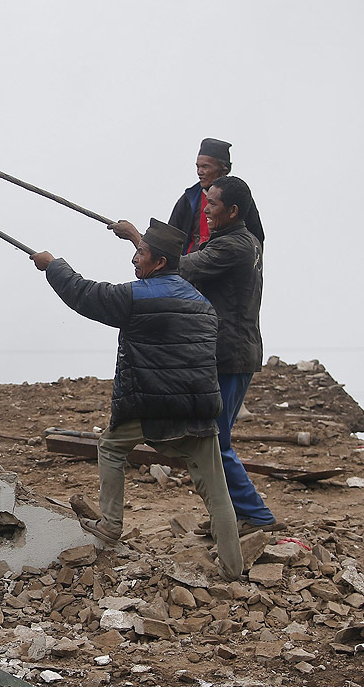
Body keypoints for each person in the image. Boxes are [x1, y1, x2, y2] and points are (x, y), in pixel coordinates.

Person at [30, 219, 243, 580]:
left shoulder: (134, 297)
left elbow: (86, 295)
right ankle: (234, 569)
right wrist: (133, 236)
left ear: (158, 262)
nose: (134, 260)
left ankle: (111, 524)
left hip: (151, 406)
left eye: (140, 254)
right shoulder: (202, 304)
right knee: (217, 491)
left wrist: (53, 266)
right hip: (200, 411)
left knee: (111, 446)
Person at [111, 177, 285, 537]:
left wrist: (137, 239)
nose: (205, 210)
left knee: (215, 440)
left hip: (229, 355)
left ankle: (256, 515)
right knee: (213, 439)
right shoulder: (240, 240)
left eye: (213, 205)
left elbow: (182, 267)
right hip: (233, 351)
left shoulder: (234, 246)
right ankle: (236, 515)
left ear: (233, 211)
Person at [168, 138, 264, 254]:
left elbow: (256, 238)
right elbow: (170, 237)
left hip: (224, 265)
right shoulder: (189, 199)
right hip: (189, 266)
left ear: (224, 169)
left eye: (205, 167)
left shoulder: (240, 198)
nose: (199, 172)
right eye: (198, 167)